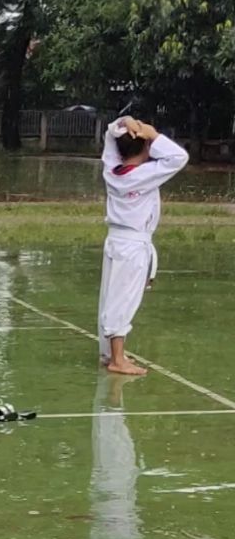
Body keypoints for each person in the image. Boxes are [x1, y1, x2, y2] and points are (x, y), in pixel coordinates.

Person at [98, 116, 188, 375]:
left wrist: (125, 122)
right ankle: (117, 359)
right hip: (132, 245)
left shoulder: (112, 169)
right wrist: (153, 134)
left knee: (110, 297)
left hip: (116, 240)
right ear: (147, 147)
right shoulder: (145, 175)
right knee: (123, 300)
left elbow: (108, 136)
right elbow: (178, 157)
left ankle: (109, 354)